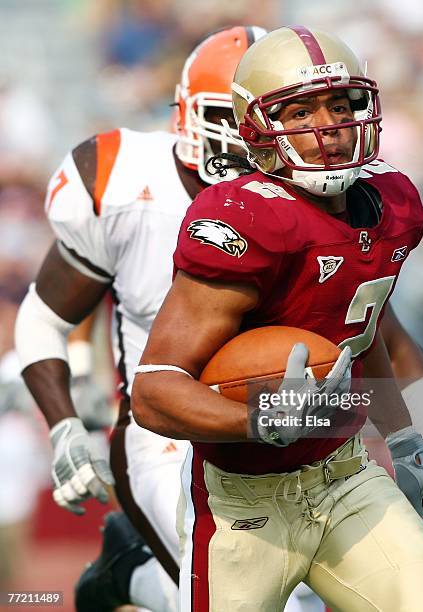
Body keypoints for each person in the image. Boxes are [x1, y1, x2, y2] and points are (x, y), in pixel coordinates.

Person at [132, 26, 423, 611]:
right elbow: (153, 392)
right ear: (259, 133)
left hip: (344, 477)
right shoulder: (247, 220)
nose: (330, 126)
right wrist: (259, 420)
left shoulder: (393, 203)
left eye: (340, 105)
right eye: (301, 110)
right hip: (245, 503)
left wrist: (418, 440)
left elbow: (371, 333)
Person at [14, 25, 323, 612]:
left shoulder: (323, 199)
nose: (248, 137)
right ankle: (133, 571)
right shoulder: (128, 184)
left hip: (282, 431)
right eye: (232, 117)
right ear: (190, 113)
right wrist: (63, 428)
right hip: (166, 436)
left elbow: (381, 334)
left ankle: (130, 575)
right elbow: (43, 317)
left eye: (267, 118)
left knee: (302, 594)